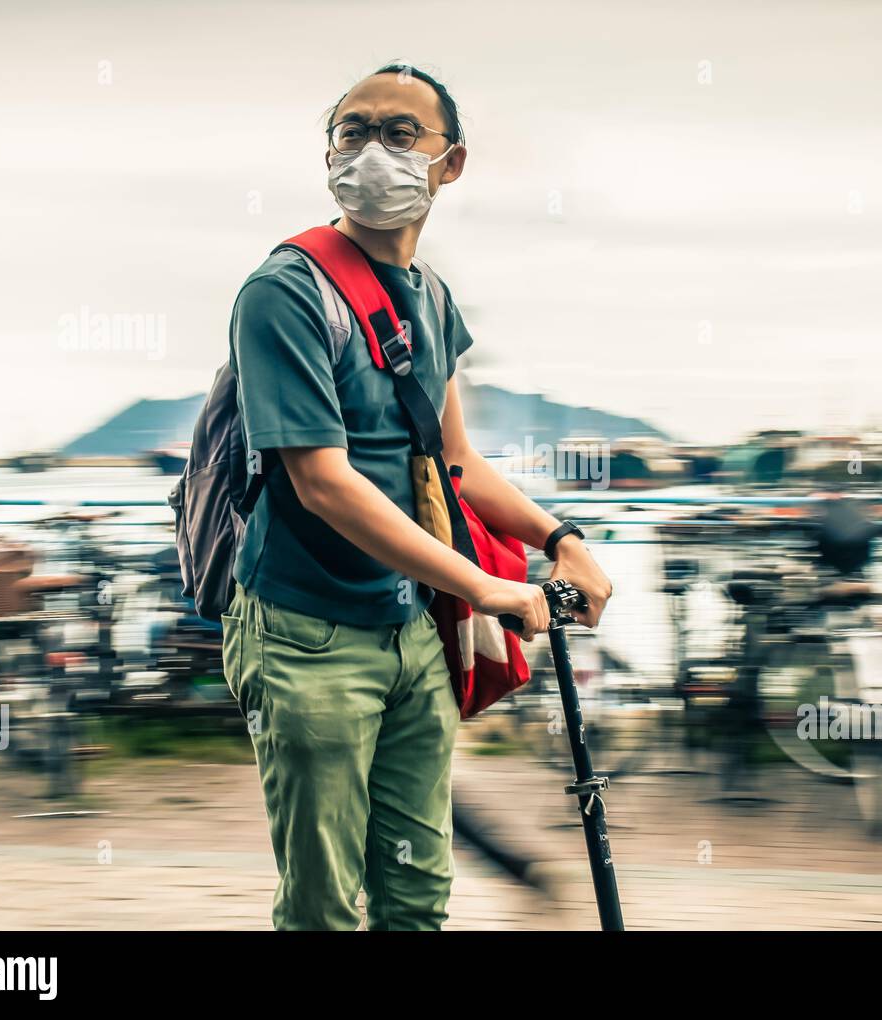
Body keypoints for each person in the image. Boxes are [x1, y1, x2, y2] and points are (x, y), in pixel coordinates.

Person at [220, 64, 613, 931]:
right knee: (325, 908)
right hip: (306, 634)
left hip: (410, 631)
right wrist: (486, 588)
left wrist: (562, 538)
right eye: (352, 132)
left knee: (418, 897)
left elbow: (456, 463)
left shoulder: (430, 299)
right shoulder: (284, 293)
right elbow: (322, 482)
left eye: (401, 134)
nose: (372, 152)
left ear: (451, 163)